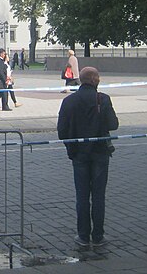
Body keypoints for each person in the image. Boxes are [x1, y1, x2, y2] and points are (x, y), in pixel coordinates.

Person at [57, 66, 119, 248]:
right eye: (98, 77)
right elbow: (113, 124)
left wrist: (71, 146)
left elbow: (61, 131)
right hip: (100, 153)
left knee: (82, 196)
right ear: (94, 80)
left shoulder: (69, 101)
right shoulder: (103, 99)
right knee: (99, 196)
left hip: (78, 155)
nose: (99, 79)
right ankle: (98, 236)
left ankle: (83, 236)